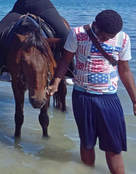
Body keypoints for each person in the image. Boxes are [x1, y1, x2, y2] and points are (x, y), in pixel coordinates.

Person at [49, 10, 136, 174]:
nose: (106, 39)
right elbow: (65, 60)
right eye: (103, 36)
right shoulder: (77, 34)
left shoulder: (123, 39)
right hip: (82, 96)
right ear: (94, 25)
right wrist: (55, 83)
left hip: (110, 98)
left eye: (111, 36)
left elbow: (125, 71)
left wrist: (134, 100)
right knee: (87, 143)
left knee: (114, 147)